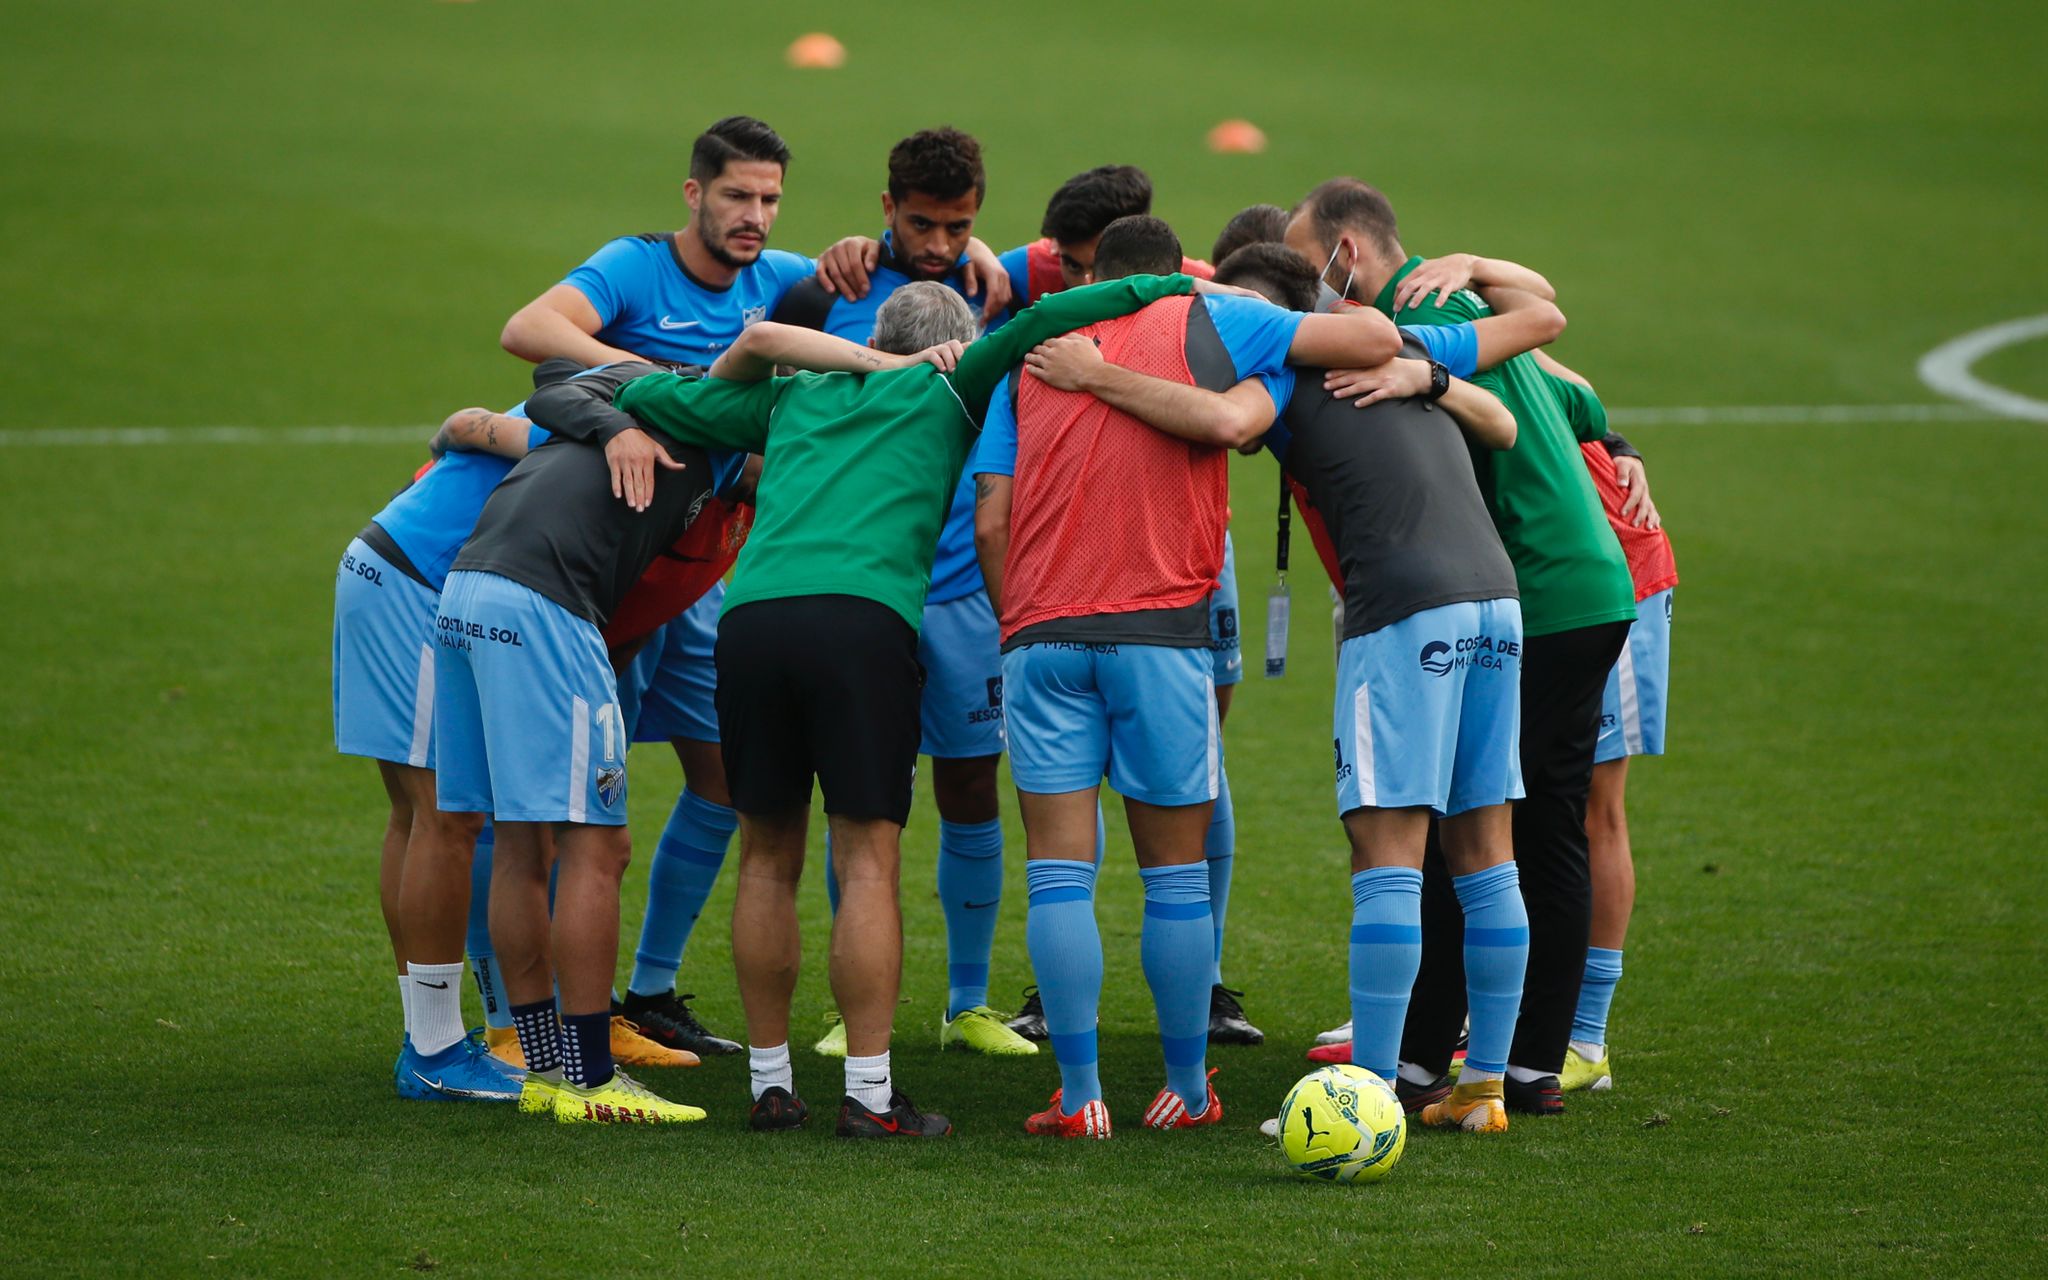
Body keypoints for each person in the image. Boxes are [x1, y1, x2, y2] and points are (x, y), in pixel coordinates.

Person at [599, 272, 1208, 1138]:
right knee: (867, 863)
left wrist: (614, 405)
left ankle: (771, 1085)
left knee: (766, 857)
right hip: (862, 627)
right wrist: (1168, 280)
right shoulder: (950, 384)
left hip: (752, 624)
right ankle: (872, 1097)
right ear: (947, 342)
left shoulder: (792, 393)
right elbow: (1046, 316)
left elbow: (648, 392)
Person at [971, 216, 1401, 1138]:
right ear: (1174, 279)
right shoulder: (1212, 322)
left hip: (1041, 638)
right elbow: (1374, 337)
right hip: (1161, 638)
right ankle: (1184, 1089)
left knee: (1058, 879)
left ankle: (1080, 1094)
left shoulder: (1034, 353)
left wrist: (1023, 625)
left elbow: (990, 524)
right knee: (1173, 880)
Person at [1286, 179, 1637, 1118]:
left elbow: (1509, 352)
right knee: (1520, 824)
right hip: (1573, 580)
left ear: (1347, 253)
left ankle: (1458, 1063)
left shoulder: (1412, 313)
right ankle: (1506, 1067)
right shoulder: (1455, 294)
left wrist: (1426, 370)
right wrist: (1482, 265)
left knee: (1498, 829)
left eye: (1312, 262)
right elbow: (1549, 328)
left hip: (1536, 583)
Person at [497, 115, 814, 1058]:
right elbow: (530, 329)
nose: (754, 218)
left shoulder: (782, 280)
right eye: (736, 198)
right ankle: (528, 1016)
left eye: (768, 200)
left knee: (728, 778)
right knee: (565, 805)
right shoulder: (637, 268)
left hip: (705, 574)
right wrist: (660, 387)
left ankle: (650, 990)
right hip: (612, 573)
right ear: (694, 195)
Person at [1207, 244, 1535, 1134]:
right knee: (1484, 850)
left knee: (1388, 852)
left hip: (1404, 610)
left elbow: (1225, 424)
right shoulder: (1401, 352)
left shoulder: (1280, 363)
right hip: (1497, 606)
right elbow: (1537, 326)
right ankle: (1483, 1090)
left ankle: (1368, 1097)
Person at [769, 127, 1035, 1058]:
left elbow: (1117, 250)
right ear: (886, 209)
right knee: (855, 799)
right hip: (861, 588)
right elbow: (756, 367)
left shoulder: (1004, 286)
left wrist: (1001, 258)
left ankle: (968, 1004)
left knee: (969, 785)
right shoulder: (825, 288)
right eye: (920, 223)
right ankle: (857, 1009)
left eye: (958, 226)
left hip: (961, 589)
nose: (938, 244)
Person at [435, 359, 749, 1125]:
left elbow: (552, 382)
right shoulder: (709, 415)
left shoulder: (639, 398)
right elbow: (548, 373)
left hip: (466, 592)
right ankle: (590, 1077)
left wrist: (614, 420)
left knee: (521, 839)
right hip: (544, 606)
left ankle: (543, 1066)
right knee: (597, 848)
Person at [1547, 361, 1677, 1094]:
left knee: (1593, 808)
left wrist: (1620, 444)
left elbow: (1576, 395)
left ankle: (1587, 1036)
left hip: (1610, 580)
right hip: (1543, 585)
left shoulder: (1446, 339)